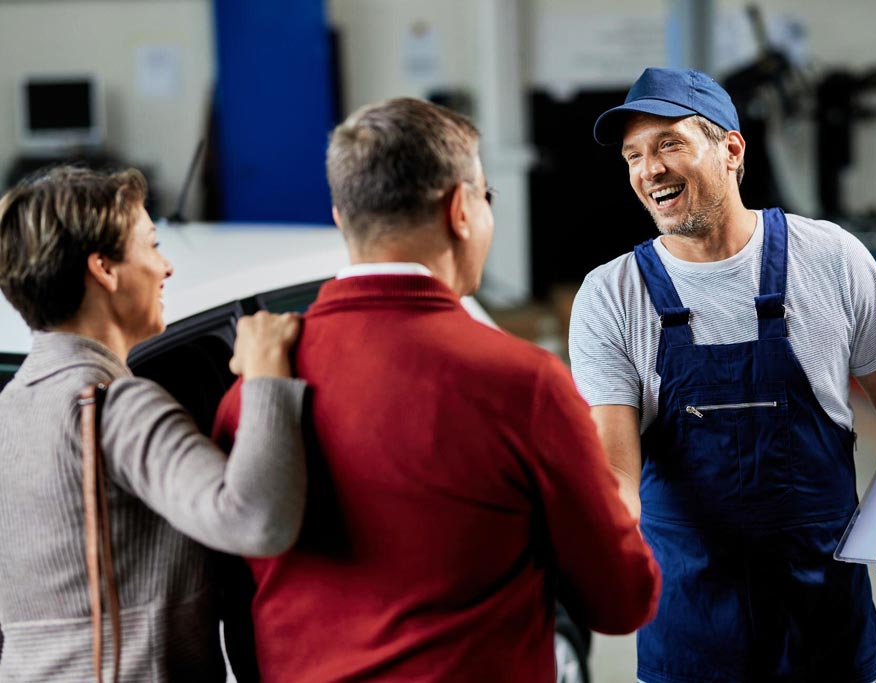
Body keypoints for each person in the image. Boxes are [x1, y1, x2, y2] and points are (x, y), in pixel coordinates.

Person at [213, 96, 661, 682]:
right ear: (461, 210)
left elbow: (229, 613)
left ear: (342, 217)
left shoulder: (251, 393)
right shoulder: (522, 385)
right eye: (487, 197)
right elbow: (621, 600)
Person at [568, 68, 876, 683]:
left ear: (731, 149)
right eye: (634, 155)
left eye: (669, 144)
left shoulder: (832, 259)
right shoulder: (611, 294)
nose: (648, 170)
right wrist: (592, 547)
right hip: (687, 631)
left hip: (827, 626)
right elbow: (615, 470)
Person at [0, 167, 307, 682]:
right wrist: (267, 374)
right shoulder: (114, 407)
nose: (165, 267)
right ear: (104, 269)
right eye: (152, 244)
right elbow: (257, 520)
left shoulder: (9, 407)